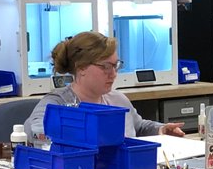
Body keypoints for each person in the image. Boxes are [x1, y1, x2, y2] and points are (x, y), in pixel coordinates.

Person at [25, 31, 186, 142]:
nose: (113, 74)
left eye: (116, 66)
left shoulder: (118, 99)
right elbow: (34, 131)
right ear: (81, 68)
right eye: (106, 67)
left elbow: (139, 126)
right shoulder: (56, 103)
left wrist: (161, 129)